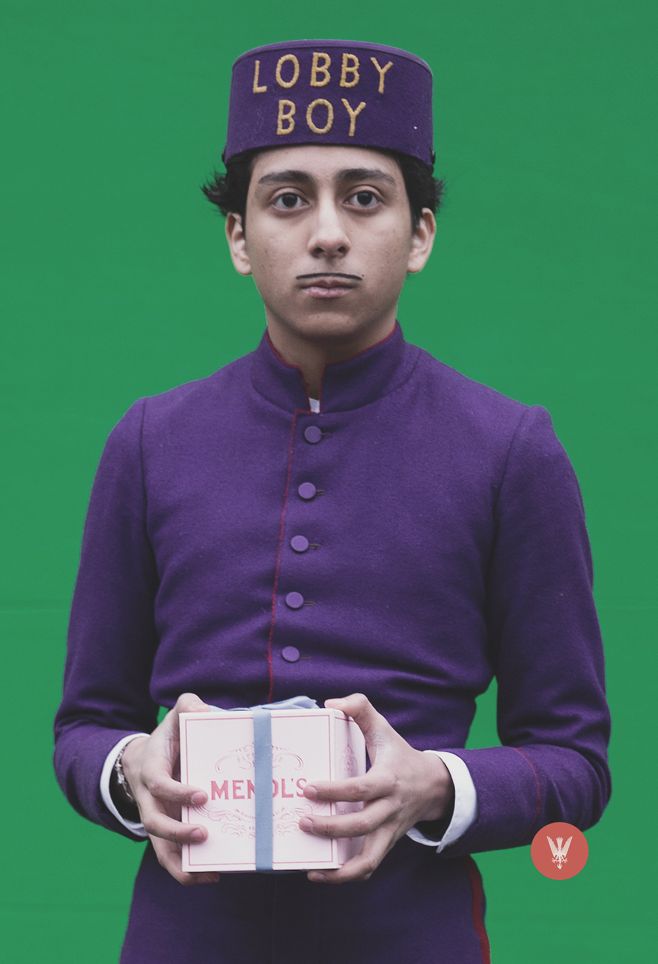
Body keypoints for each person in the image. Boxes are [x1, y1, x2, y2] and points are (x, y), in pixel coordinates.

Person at [53, 39, 612, 963]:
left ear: (420, 232)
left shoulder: (511, 450)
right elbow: (83, 727)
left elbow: (577, 766)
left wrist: (432, 784)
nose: (326, 232)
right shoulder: (150, 441)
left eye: (364, 197)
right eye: (285, 199)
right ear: (238, 236)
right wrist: (130, 771)